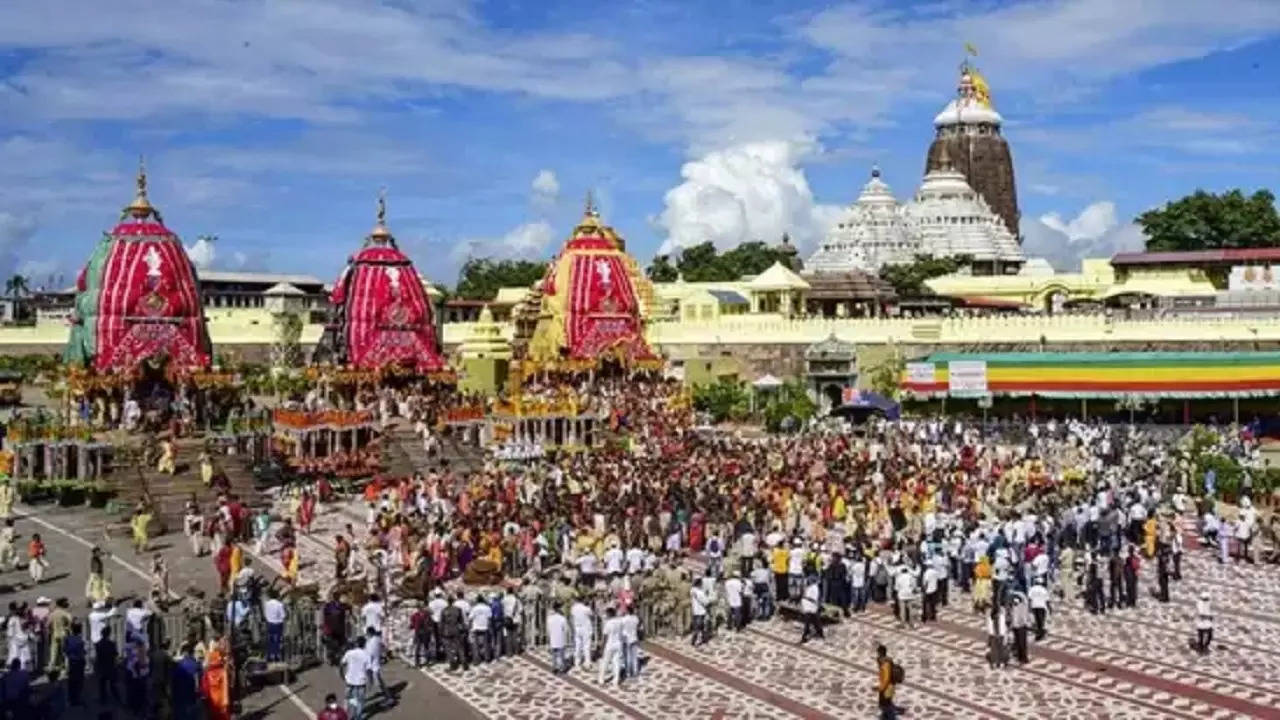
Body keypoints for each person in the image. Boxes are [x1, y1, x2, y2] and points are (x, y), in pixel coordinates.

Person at [341, 636, 371, 720]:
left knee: (348, 699)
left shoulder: (349, 653)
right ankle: (357, 717)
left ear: (356, 643)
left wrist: (342, 675)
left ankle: (345, 715)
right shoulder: (366, 655)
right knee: (360, 701)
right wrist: (370, 680)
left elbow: (342, 664)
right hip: (361, 682)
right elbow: (369, 670)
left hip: (350, 681)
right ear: (364, 644)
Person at [172, 642, 202, 718]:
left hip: (180, 697)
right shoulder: (196, 665)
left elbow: (173, 682)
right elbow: (198, 682)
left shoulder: (179, 665)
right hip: (192, 697)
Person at [598, 607, 623, 687]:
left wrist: (602, 647)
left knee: (605, 662)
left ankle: (601, 679)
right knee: (616, 662)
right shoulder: (619, 622)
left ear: (609, 614)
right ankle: (616, 680)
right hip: (618, 643)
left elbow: (605, 636)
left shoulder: (608, 624)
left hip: (610, 644)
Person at [94, 626, 120, 705]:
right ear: (108, 634)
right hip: (110, 666)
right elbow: (115, 654)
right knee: (113, 684)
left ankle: (103, 700)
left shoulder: (98, 644)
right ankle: (117, 699)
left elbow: (98, 656)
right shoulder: (111, 644)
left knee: (102, 685)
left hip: (102, 666)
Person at [64, 621, 87, 706]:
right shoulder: (80, 640)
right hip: (79, 661)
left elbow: (65, 650)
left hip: (71, 661)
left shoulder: (68, 639)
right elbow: (83, 652)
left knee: (71, 681)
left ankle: (71, 698)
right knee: (79, 681)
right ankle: (77, 698)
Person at [263, 590, 287, 662]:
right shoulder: (279, 604)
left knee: (270, 640)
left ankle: (270, 655)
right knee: (277, 640)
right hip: (277, 624)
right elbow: (283, 615)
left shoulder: (267, 604)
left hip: (269, 623)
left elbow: (265, 613)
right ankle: (276, 656)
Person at [876, 644, 898, 720]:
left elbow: (886, 677)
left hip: (886, 685)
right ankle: (885, 715)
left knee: (884, 703)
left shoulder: (883, 663)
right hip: (891, 684)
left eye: (878, 652)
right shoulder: (889, 660)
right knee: (887, 701)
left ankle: (887, 716)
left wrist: (880, 688)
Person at [799, 574, 823, 643]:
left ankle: (805, 636)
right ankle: (819, 633)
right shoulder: (810, 587)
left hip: (811, 607)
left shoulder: (815, 588)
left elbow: (813, 599)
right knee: (815, 621)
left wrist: (805, 598)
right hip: (808, 607)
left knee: (809, 622)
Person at [571, 598, 594, 666]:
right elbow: (592, 615)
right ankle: (587, 662)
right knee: (586, 645)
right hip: (586, 628)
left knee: (578, 645)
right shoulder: (586, 608)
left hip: (577, 627)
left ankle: (577, 662)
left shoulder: (573, 608)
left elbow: (572, 617)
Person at [547, 604, 569, 674]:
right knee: (561, 655)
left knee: (554, 655)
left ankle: (554, 667)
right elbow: (566, 629)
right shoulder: (562, 619)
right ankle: (561, 668)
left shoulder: (550, 619)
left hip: (553, 639)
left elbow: (548, 630)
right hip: (560, 639)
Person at [1194, 590, 1213, 654]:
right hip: (1201, 623)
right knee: (1201, 637)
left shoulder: (1208, 602)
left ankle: (1205, 647)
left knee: (1209, 636)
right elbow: (1201, 614)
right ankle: (1201, 648)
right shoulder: (1200, 604)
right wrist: (1209, 617)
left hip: (1207, 623)